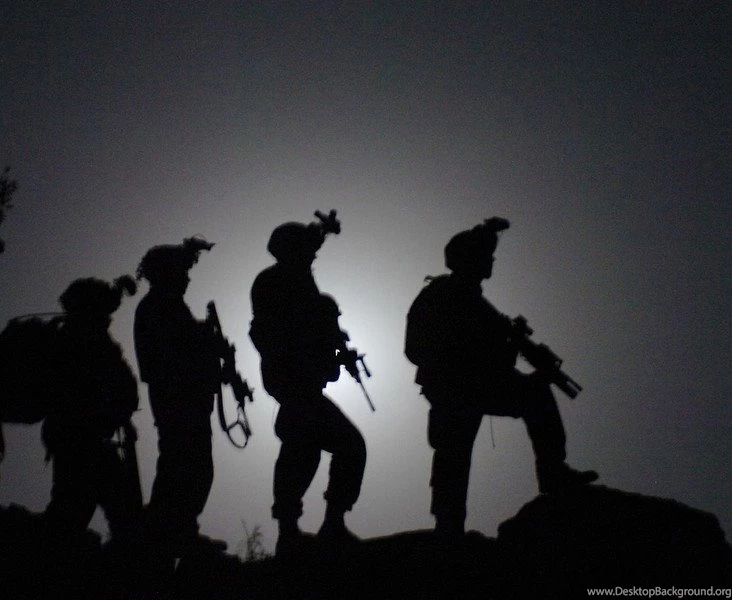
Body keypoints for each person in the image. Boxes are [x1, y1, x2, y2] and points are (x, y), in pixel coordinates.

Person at [405, 217, 598, 539]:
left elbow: (499, 361)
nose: (491, 261)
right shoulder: (440, 293)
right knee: (453, 457)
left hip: (479, 384)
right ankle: (448, 529)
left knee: (536, 393)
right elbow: (414, 348)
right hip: (453, 388)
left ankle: (553, 474)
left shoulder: (485, 309)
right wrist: (467, 357)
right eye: (484, 255)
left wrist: (512, 344)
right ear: (468, 259)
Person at [249, 211, 367, 556]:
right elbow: (279, 331)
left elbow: (322, 332)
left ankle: (321, 526)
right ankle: (300, 529)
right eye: (305, 251)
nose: (312, 257)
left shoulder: (298, 281)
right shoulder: (276, 282)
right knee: (325, 448)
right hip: (292, 381)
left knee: (309, 449)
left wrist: (337, 351)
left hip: (304, 382)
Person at [134, 236, 226, 556]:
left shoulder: (166, 306)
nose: (187, 278)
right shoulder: (159, 306)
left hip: (186, 400)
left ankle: (177, 530)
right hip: (178, 401)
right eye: (182, 272)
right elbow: (170, 356)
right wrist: (205, 342)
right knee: (184, 465)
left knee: (190, 465)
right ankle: (164, 534)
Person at [42, 275, 141, 550]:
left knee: (84, 511)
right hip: (80, 439)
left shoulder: (86, 338)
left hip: (84, 438)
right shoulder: (83, 339)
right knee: (75, 513)